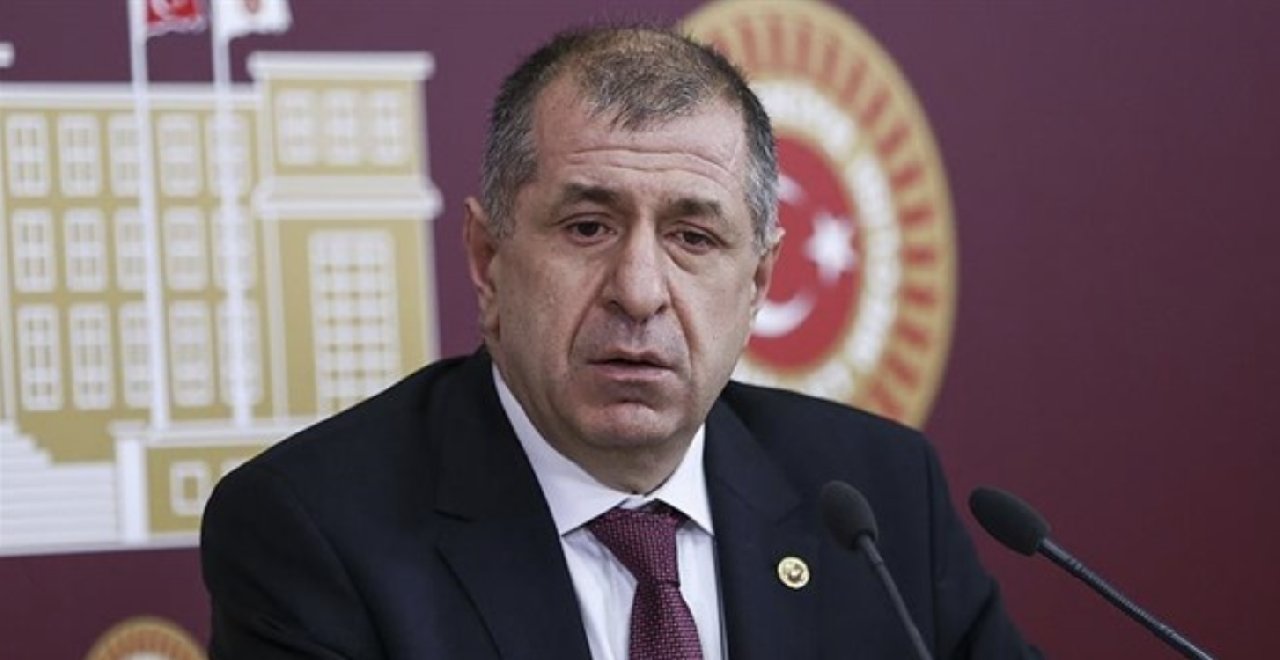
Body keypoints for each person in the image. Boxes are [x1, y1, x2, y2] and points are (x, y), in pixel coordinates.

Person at [201, 25, 1039, 659]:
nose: (639, 291)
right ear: (488, 260)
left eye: (693, 238)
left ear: (756, 283)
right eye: (588, 227)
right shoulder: (315, 531)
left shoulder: (879, 497)